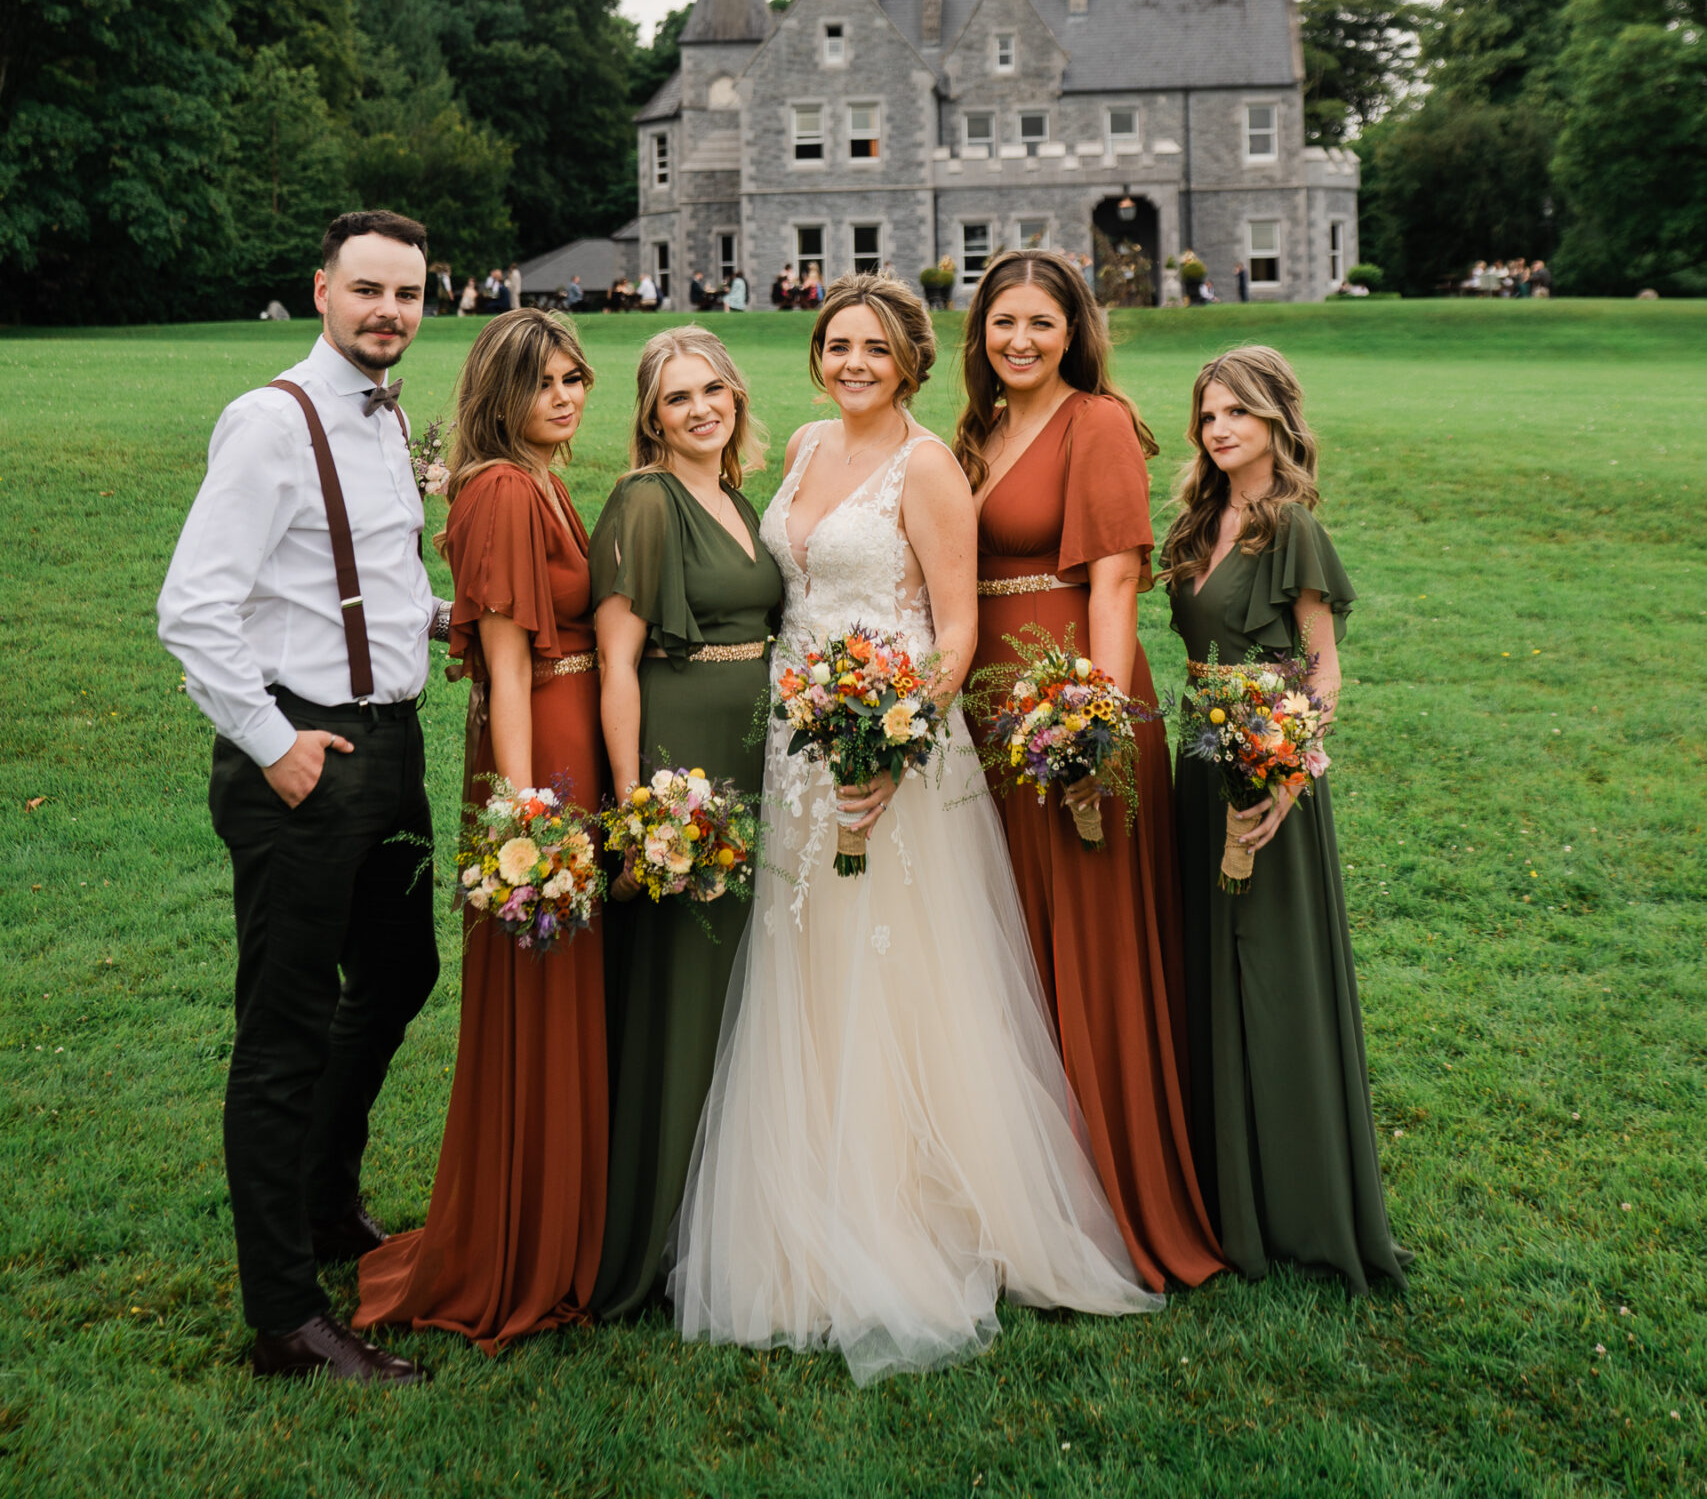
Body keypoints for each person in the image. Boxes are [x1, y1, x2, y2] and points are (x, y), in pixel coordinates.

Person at [671, 276, 1159, 1385]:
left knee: (899, 981)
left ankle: (916, 1209)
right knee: (806, 969)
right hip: (798, 748)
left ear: (911, 362)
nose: (851, 363)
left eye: (873, 349)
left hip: (890, 752)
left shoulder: (931, 466)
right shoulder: (795, 447)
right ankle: (808, 1202)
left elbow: (956, 630)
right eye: (836, 345)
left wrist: (889, 745)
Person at [157, 210, 438, 1385]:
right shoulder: (271, 421)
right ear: (321, 289)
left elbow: (364, 573)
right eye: (367, 289)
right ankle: (286, 1316)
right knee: (281, 1034)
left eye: (408, 295)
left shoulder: (383, 415)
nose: (388, 311)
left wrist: (437, 625)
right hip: (306, 762)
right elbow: (193, 605)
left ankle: (325, 1205)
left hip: (393, 745)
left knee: (401, 973)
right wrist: (274, 743)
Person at [955, 254, 1223, 1294]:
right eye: (1003, 322)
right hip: (988, 708)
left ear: (1075, 331)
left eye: (1041, 322)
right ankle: (1021, 1188)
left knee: (1090, 940)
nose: (1020, 339)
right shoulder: (976, 434)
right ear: (980, 331)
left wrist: (1095, 727)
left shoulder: (1097, 422)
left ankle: (1112, 1192)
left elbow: (1114, 585)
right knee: (1013, 942)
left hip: (1074, 694)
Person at [355, 311, 607, 1350]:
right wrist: (526, 817)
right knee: (538, 983)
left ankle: (568, 1216)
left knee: (568, 985)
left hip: (571, 734)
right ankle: (522, 1242)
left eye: (575, 377)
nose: (565, 396)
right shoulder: (502, 487)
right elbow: (505, 661)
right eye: (542, 382)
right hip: (537, 743)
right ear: (499, 395)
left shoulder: (543, 475)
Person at [1165, 345, 1405, 1294]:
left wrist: (1286, 780)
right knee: (1207, 969)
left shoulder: (1290, 526)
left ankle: (1300, 1207)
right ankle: (1224, 1196)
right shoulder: (1198, 520)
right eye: (1208, 416)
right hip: (1197, 759)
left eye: (1238, 414)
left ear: (1275, 422)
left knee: (1271, 976)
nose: (1219, 430)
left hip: (1266, 772)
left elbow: (1323, 671)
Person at [589, 329, 783, 1319]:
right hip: (684, 765)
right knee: (681, 987)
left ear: (736, 394)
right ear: (652, 417)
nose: (700, 408)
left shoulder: (737, 499)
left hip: (757, 763)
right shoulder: (646, 502)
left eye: (712, 389)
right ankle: (653, 1233)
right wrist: (637, 803)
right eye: (677, 399)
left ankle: (726, 1212)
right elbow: (617, 659)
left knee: (743, 989)